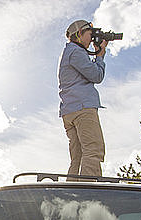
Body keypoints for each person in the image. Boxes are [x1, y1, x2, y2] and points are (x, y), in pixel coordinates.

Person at [58, 20, 108, 178]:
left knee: (77, 158)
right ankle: (89, 195)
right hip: (82, 109)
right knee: (93, 151)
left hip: (69, 111)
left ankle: (72, 195)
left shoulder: (68, 52)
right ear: (79, 33)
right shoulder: (76, 51)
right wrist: (99, 56)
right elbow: (96, 76)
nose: (92, 38)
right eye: (90, 34)